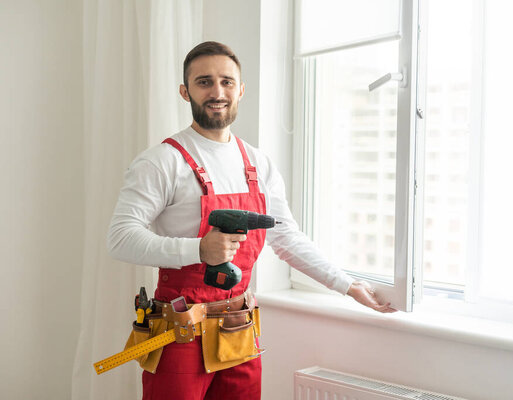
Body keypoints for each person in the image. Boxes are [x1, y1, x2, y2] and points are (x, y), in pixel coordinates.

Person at [107, 41, 395, 400]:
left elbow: (286, 237)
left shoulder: (258, 164)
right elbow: (120, 238)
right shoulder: (162, 162)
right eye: (204, 82)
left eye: (227, 82)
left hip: (238, 329)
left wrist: (348, 286)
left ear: (240, 90)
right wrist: (198, 249)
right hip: (181, 332)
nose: (217, 92)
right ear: (185, 91)